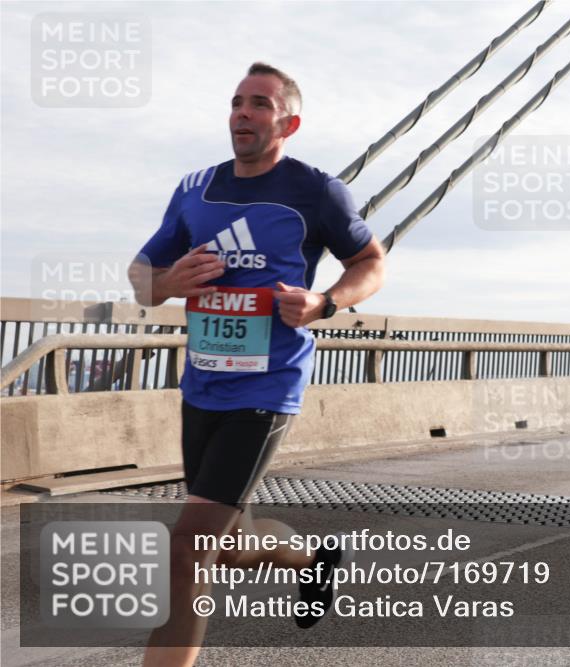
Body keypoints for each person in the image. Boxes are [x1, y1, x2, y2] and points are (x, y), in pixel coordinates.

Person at [128, 62, 386, 667]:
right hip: (201, 388)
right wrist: (167, 281)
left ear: (287, 123)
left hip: (266, 390)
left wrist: (325, 302)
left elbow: (371, 262)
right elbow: (142, 278)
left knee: (188, 549)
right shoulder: (195, 189)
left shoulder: (316, 192)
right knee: (226, 547)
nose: (243, 112)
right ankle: (312, 560)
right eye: (237, 102)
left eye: (260, 104)